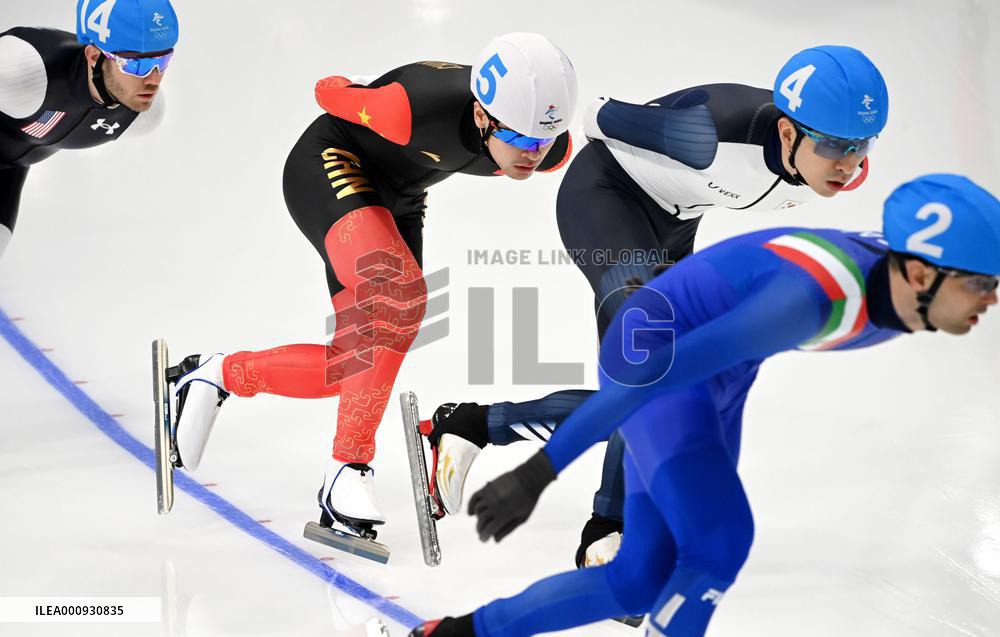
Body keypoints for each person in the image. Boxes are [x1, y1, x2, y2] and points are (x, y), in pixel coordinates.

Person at [413, 173, 1000, 636]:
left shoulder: (904, 283)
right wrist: (540, 472)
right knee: (720, 540)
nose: (991, 299)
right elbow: (650, 379)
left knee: (638, 582)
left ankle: (460, 634)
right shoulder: (809, 300)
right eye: (981, 284)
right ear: (920, 273)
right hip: (657, 361)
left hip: (718, 377)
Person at [424, 44, 889, 568]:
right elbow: (595, 113)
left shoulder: (840, 166)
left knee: (671, 388)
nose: (850, 166)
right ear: (788, 133)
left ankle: (475, 424)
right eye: (833, 146)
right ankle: (607, 527)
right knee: (648, 371)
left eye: (863, 145)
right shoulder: (710, 135)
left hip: (673, 223)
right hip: (606, 197)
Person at [162, 33, 577, 554]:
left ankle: (215, 375)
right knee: (400, 297)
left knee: (353, 366)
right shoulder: (411, 106)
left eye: (545, 140)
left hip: (399, 200)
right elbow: (328, 91)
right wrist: (347, 87)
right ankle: (348, 468)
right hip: (330, 164)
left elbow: (547, 143)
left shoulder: (548, 144)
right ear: (481, 115)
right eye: (522, 140)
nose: (535, 156)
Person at [0, 0, 178, 259]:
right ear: (94, 56)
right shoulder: (21, 66)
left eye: (163, 60)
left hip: (8, 172)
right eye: (136, 64)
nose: (153, 79)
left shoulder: (142, 116)